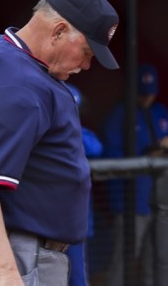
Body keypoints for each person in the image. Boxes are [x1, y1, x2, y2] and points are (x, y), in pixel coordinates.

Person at [0, 0, 119, 286]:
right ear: (59, 30)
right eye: (87, 51)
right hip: (13, 253)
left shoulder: (8, 60)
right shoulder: (13, 80)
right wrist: (6, 272)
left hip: (23, 249)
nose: (88, 65)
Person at [100, 64, 168, 286]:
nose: (147, 98)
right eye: (142, 93)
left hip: (161, 196)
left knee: (158, 257)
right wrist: (146, 153)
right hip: (131, 199)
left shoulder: (159, 111)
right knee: (124, 259)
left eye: (151, 93)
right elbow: (110, 155)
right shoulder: (119, 114)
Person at [65, 84, 104, 286]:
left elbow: (96, 148)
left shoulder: (82, 133)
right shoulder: (43, 127)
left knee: (77, 277)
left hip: (77, 218)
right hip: (43, 218)